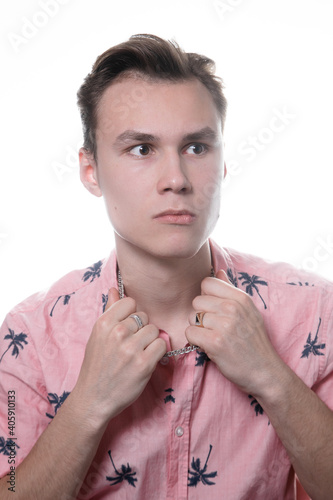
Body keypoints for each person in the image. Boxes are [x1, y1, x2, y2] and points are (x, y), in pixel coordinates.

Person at [0, 33, 332, 500]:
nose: (176, 180)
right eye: (141, 149)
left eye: (196, 147)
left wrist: (272, 379)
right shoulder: (31, 337)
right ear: (90, 170)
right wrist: (86, 408)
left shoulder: (314, 312)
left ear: (222, 162)